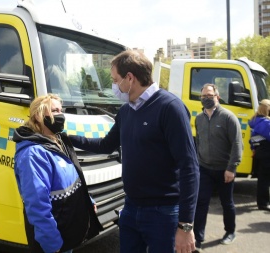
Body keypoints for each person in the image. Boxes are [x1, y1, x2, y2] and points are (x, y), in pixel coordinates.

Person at [69, 50, 200, 253]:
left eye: (115, 80)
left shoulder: (170, 107)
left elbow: (189, 168)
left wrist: (185, 226)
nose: (113, 86)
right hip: (130, 208)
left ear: (130, 78)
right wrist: (65, 136)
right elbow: (105, 145)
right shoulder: (126, 111)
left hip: (163, 213)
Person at [13, 94, 103, 253]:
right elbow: (37, 206)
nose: (60, 115)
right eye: (55, 111)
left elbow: (71, 178)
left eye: (61, 110)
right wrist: (52, 244)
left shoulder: (58, 140)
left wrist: (87, 200)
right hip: (55, 243)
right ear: (39, 116)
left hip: (66, 235)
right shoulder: (33, 155)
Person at [193, 83, 243, 251]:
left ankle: (230, 232)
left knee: (227, 203)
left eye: (210, 95)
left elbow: (237, 144)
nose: (207, 98)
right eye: (204, 96)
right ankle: (198, 239)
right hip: (204, 169)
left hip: (224, 170)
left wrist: (232, 168)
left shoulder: (228, 117)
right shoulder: (199, 118)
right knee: (201, 203)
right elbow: (198, 142)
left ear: (217, 96)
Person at [249, 99, 270, 211]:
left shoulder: (255, 120)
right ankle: (263, 203)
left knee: (263, 179)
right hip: (267, 153)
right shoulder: (266, 123)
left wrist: (254, 148)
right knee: (265, 180)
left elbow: (253, 140)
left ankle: (262, 202)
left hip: (260, 152)